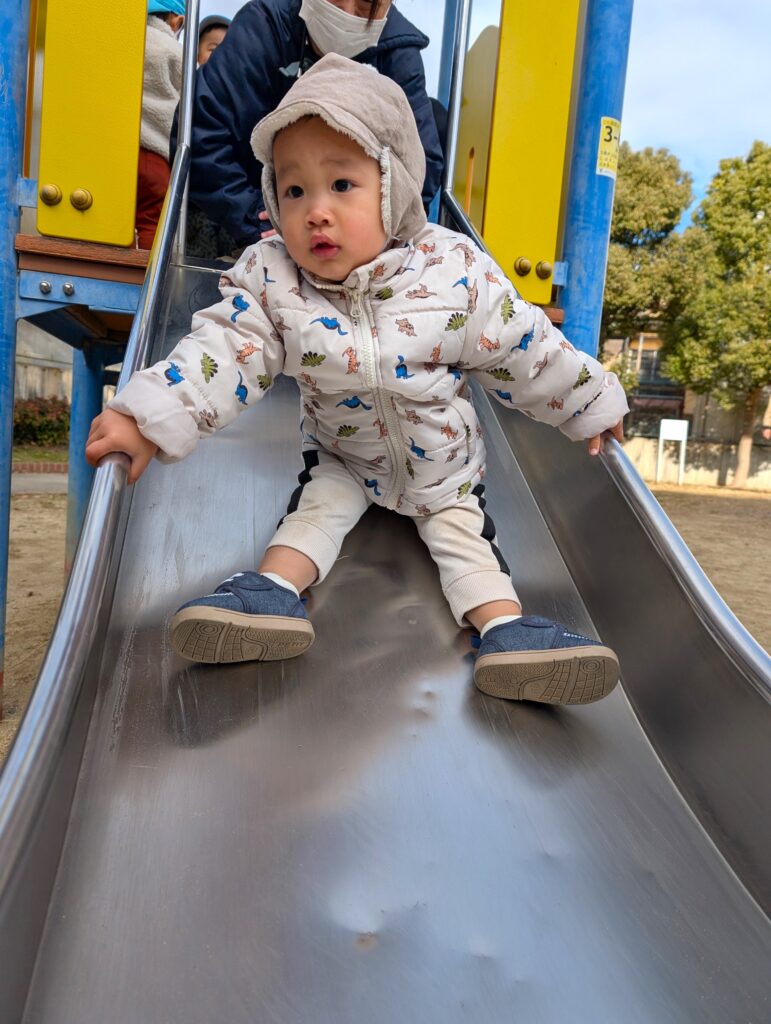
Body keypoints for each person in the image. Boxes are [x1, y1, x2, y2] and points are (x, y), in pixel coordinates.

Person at [87, 55, 628, 706]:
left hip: (444, 469)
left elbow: (525, 345)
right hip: (343, 454)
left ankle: (505, 635)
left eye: (341, 185)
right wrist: (145, 413)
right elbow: (223, 351)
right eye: (293, 190)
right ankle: (268, 598)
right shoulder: (273, 280)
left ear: (394, 185)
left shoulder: (451, 271)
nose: (315, 212)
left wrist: (590, 399)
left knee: (466, 545)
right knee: (314, 513)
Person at [175, 0, 443, 251]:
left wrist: (373, 232)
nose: (348, 12)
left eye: (366, 3)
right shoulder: (266, 25)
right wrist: (261, 218)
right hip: (246, 221)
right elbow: (199, 133)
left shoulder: (398, 51)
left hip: (357, 242)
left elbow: (420, 164)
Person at [136, 0, 185, 250]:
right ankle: (143, 276)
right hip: (156, 153)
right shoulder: (174, 51)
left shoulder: (128, 40)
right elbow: (186, 100)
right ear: (177, 21)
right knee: (152, 221)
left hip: (117, 152)